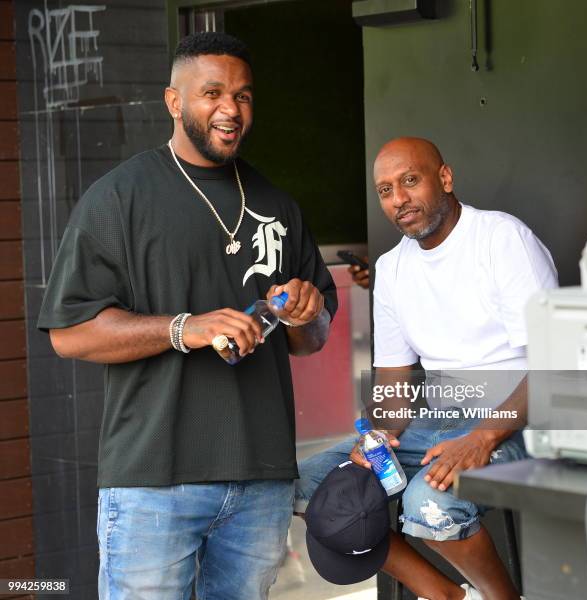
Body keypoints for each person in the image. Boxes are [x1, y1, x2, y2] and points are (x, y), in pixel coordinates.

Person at [37, 32, 337, 600]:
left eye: (244, 96)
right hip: (154, 481)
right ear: (174, 102)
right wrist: (184, 328)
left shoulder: (277, 204)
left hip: (261, 480)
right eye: (213, 93)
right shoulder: (119, 198)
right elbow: (69, 333)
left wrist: (306, 311)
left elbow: (310, 341)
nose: (231, 110)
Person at [296, 137, 557, 600]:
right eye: (385, 191)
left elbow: (553, 366)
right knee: (309, 484)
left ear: (445, 178)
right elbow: (394, 384)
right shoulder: (393, 269)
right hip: (437, 424)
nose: (399, 200)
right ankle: (444, 594)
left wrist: (483, 437)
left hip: (517, 421)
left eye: (410, 181)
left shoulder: (501, 239)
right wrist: (375, 439)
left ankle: (502, 597)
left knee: (428, 503)